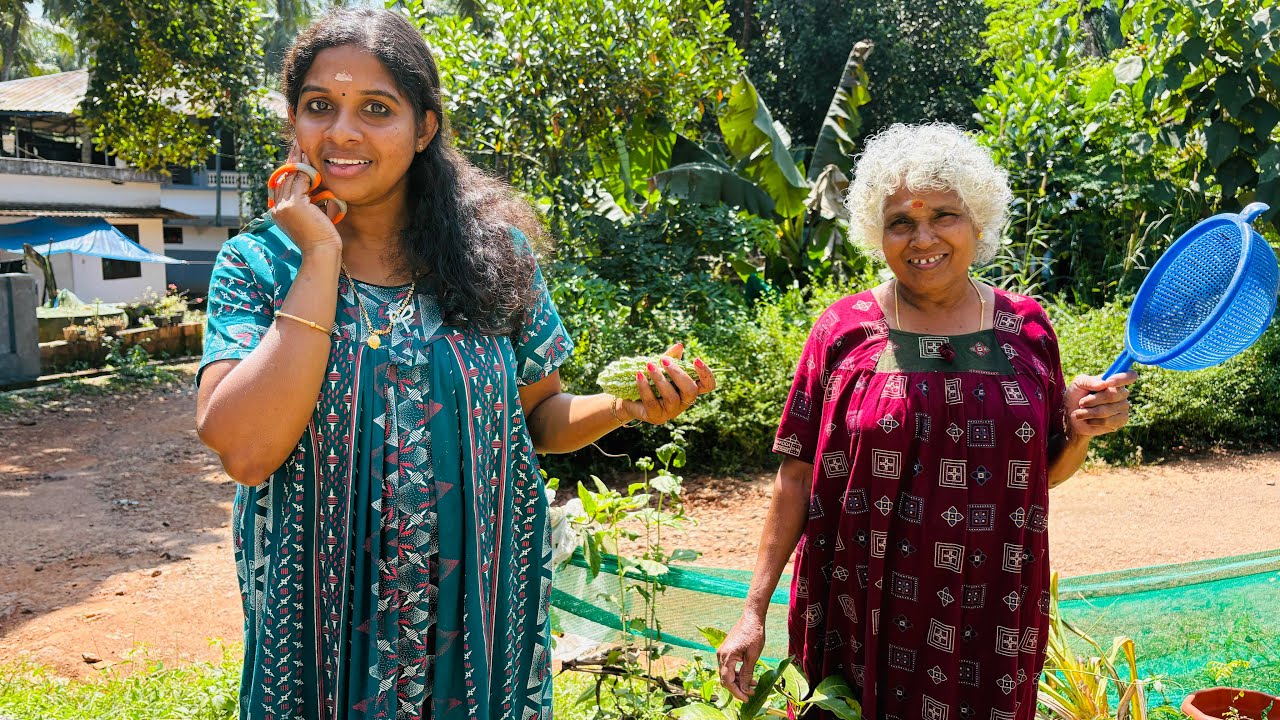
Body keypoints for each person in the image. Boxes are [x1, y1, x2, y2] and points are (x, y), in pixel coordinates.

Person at [195, 9, 715, 720]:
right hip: (321, 641)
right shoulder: (258, 264)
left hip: (478, 626)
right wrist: (320, 257)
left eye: (376, 109)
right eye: (320, 106)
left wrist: (626, 405)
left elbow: (538, 418)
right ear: (294, 121)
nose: (342, 132)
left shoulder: (495, 259)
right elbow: (247, 450)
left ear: (424, 128)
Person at [716, 122, 1135, 719]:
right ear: (875, 233)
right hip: (863, 608)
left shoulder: (1027, 331)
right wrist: (752, 609)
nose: (923, 237)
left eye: (944, 215)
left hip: (992, 605)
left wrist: (1080, 432)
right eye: (901, 222)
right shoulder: (843, 332)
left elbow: (1041, 475)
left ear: (978, 220)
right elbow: (796, 480)